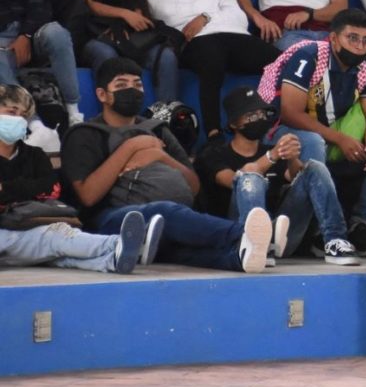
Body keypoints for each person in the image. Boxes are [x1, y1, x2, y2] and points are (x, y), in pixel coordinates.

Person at [60, 57, 272, 273]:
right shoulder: (85, 134)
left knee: (182, 250)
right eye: (121, 85)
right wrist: (131, 146)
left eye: (138, 84)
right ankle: (247, 236)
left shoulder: (157, 129)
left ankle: (244, 256)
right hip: (109, 220)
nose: (132, 90)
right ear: (102, 95)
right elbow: (88, 196)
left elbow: (193, 187)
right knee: (164, 212)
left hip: (167, 220)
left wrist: (159, 156)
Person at [268, 9, 366, 254]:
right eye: (352, 38)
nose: (360, 46)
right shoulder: (308, 56)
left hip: (333, 132)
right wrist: (340, 139)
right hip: (285, 131)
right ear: (334, 39)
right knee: (314, 142)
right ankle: (321, 231)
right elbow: (290, 112)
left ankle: (361, 225)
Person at [195, 86, 359, 265]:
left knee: (314, 168)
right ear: (234, 123)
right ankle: (255, 244)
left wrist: (292, 157)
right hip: (235, 236)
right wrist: (272, 156)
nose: (259, 119)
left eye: (262, 114)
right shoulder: (214, 153)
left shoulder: (270, 151)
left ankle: (335, 239)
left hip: (280, 237)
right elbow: (232, 180)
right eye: (251, 115)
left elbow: (294, 176)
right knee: (250, 177)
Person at [147, 0, 278, 141]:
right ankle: (214, 133)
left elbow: (238, 18)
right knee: (212, 55)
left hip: (235, 38)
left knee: (284, 60)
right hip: (195, 46)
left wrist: (205, 17)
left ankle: (279, 128)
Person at [0, 83, 145, 273]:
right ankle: (119, 244)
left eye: (24, 115)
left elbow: (51, 188)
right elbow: (39, 187)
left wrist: (6, 189)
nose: (19, 119)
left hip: (26, 226)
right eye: (12, 112)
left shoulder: (34, 155)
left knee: (57, 251)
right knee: (55, 236)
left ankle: (112, 260)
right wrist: (27, 189)